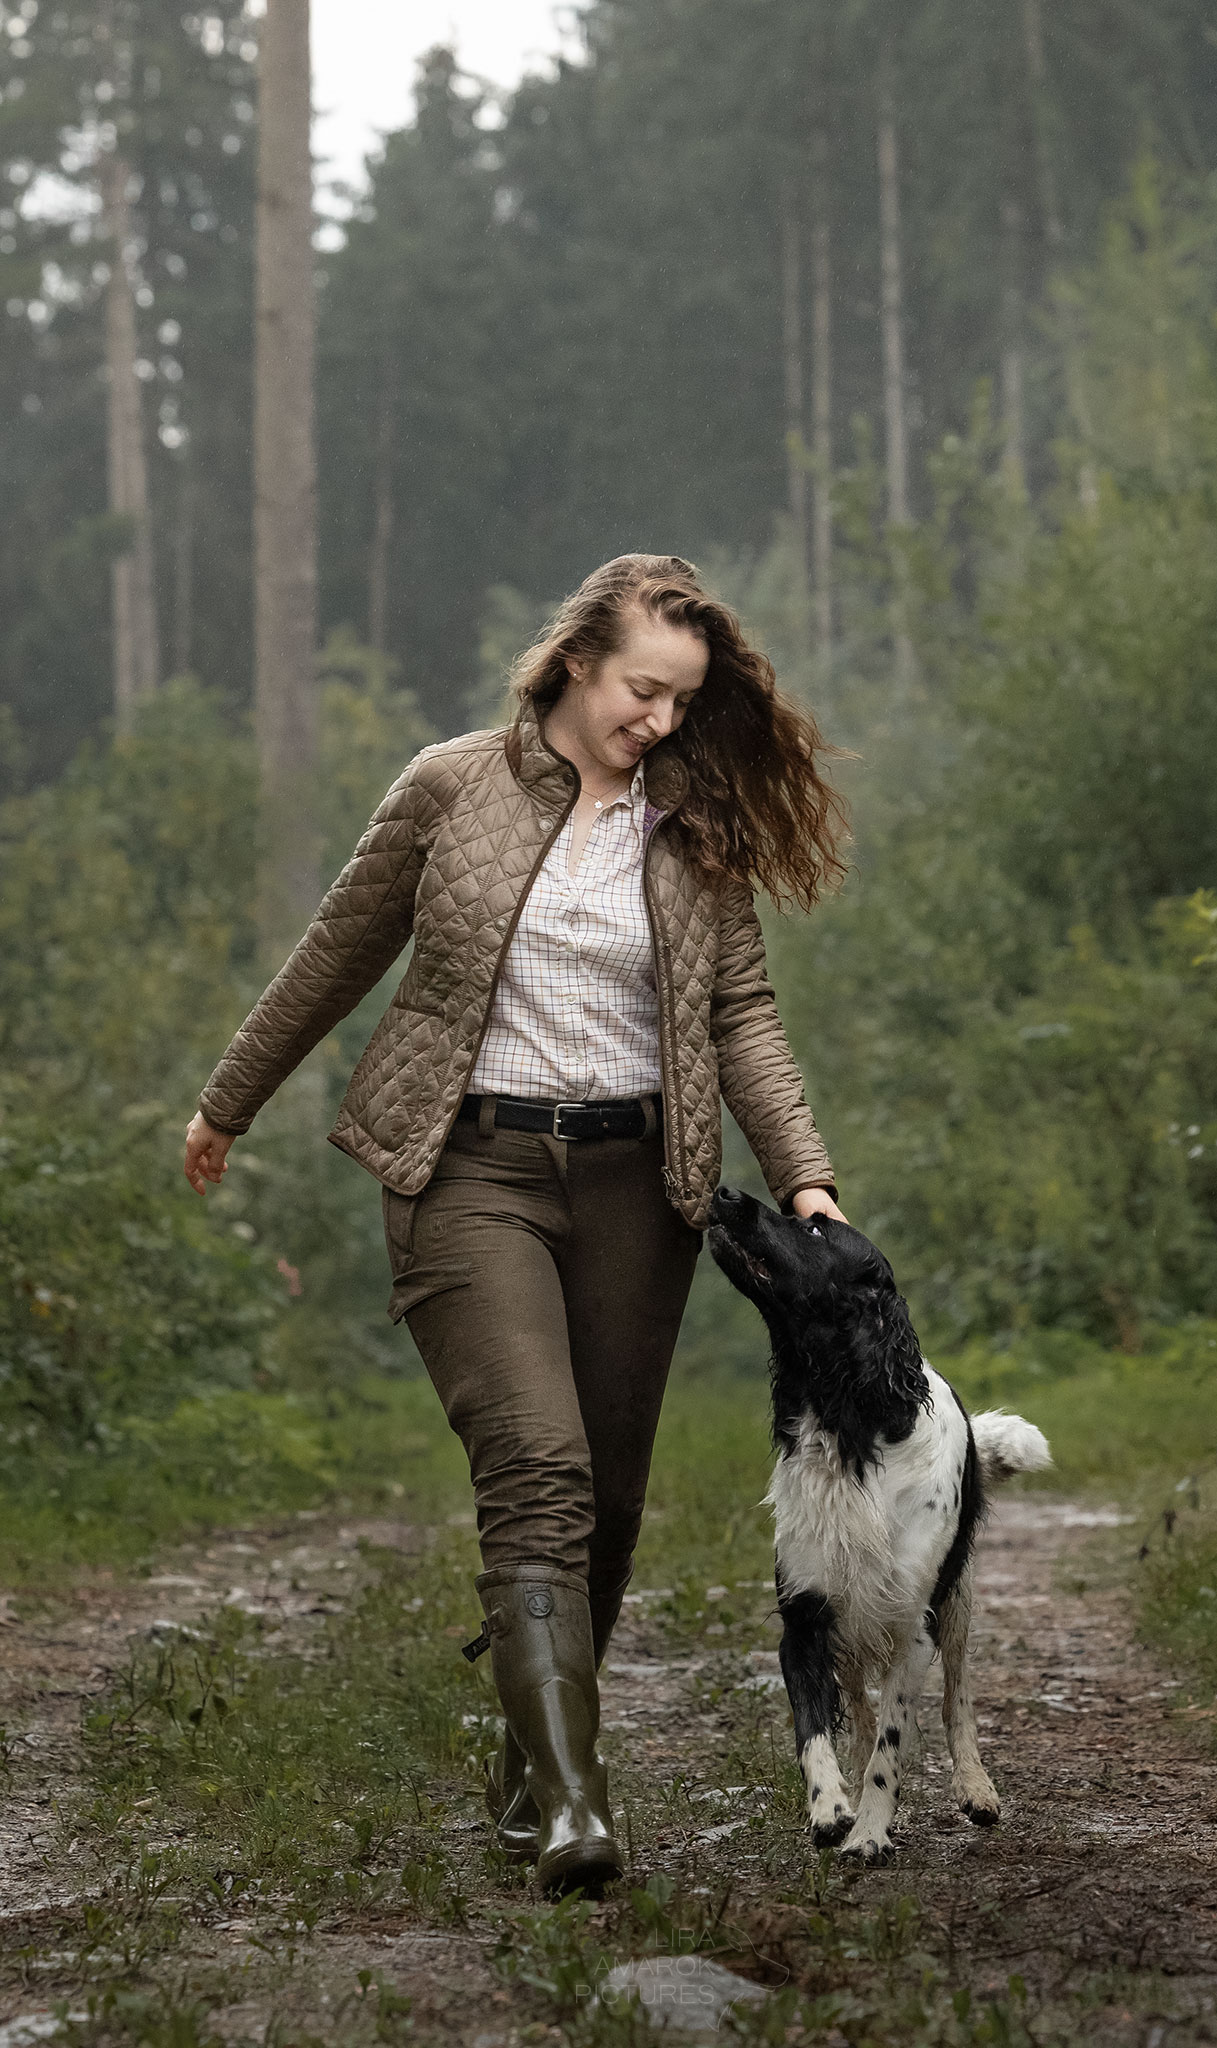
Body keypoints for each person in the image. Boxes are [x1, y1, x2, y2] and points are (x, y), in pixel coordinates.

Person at [184, 553, 849, 1894]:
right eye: (643, 690)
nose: (660, 719)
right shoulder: (449, 788)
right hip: (467, 1170)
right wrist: (226, 1103)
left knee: (607, 1500)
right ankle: (575, 1810)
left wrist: (807, 1181)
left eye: (681, 701)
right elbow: (335, 953)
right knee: (538, 1465)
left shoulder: (693, 827)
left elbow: (740, 1018)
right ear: (575, 661)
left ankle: (530, 1763)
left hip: (638, 1190)